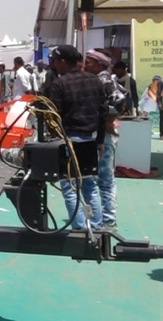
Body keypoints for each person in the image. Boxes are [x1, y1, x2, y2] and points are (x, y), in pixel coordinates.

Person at [44, 45, 107, 230]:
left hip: (68, 141)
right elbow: (103, 112)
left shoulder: (59, 84)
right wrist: (100, 140)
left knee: (70, 187)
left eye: (55, 61)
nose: (54, 65)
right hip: (90, 140)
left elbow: (54, 116)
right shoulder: (94, 80)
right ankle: (96, 226)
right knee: (90, 185)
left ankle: (79, 228)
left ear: (62, 62)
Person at [83, 49, 127, 230]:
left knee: (103, 180)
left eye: (89, 62)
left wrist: (107, 119)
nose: (85, 65)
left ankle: (107, 220)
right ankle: (104, 219)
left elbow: (119, 102)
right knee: (102, 179)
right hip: (101, 135)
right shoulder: (102, 79)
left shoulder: (103, 80)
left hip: (103, 137)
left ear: (99, 64)